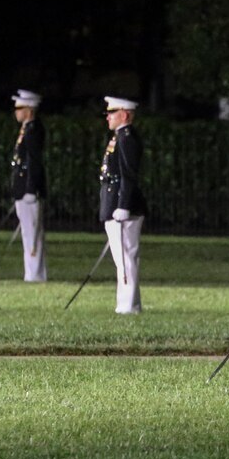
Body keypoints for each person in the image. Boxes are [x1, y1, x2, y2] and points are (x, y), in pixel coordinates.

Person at [98, 96, 146, 314]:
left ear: (124, 115)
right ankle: (126, 303)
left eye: (113, 112)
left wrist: (123, 204)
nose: (108, 116)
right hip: (114, 202)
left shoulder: (126, 138)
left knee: (126, 257)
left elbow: (128, 175)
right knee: (122, 258)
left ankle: (128, 306)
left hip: (123, 205)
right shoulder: (119, 137)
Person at [10, 89, 47, 282]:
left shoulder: (33, 131)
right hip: (23, 187)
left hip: (28, 189)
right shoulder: (27, 129)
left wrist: (31, 189)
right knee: (27, 231)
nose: (16, 112)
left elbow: (34, 162)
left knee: (32, 233)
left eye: (20, 108)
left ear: (29, 110)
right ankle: (31, 272)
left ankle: (35, 275)